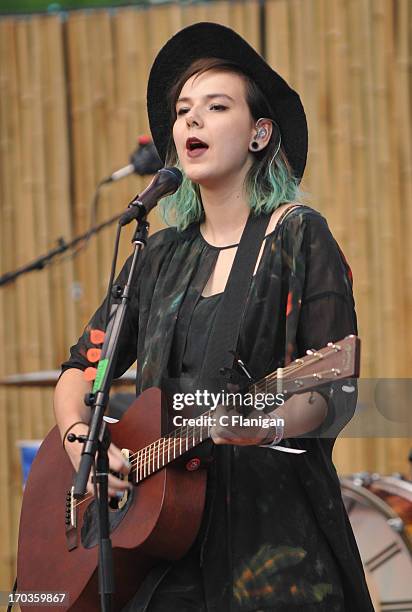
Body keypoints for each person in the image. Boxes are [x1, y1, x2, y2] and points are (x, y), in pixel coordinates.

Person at [54, 22, 374, 612]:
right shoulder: (158, 258)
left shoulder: (298, 237)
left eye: (215, 107)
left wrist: (267, 424)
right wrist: (84, 443)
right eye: (182, 111)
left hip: (273, 550)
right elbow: (81, 370)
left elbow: (334, 387)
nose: (190, 121)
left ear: (259, 133)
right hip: (162, 551)